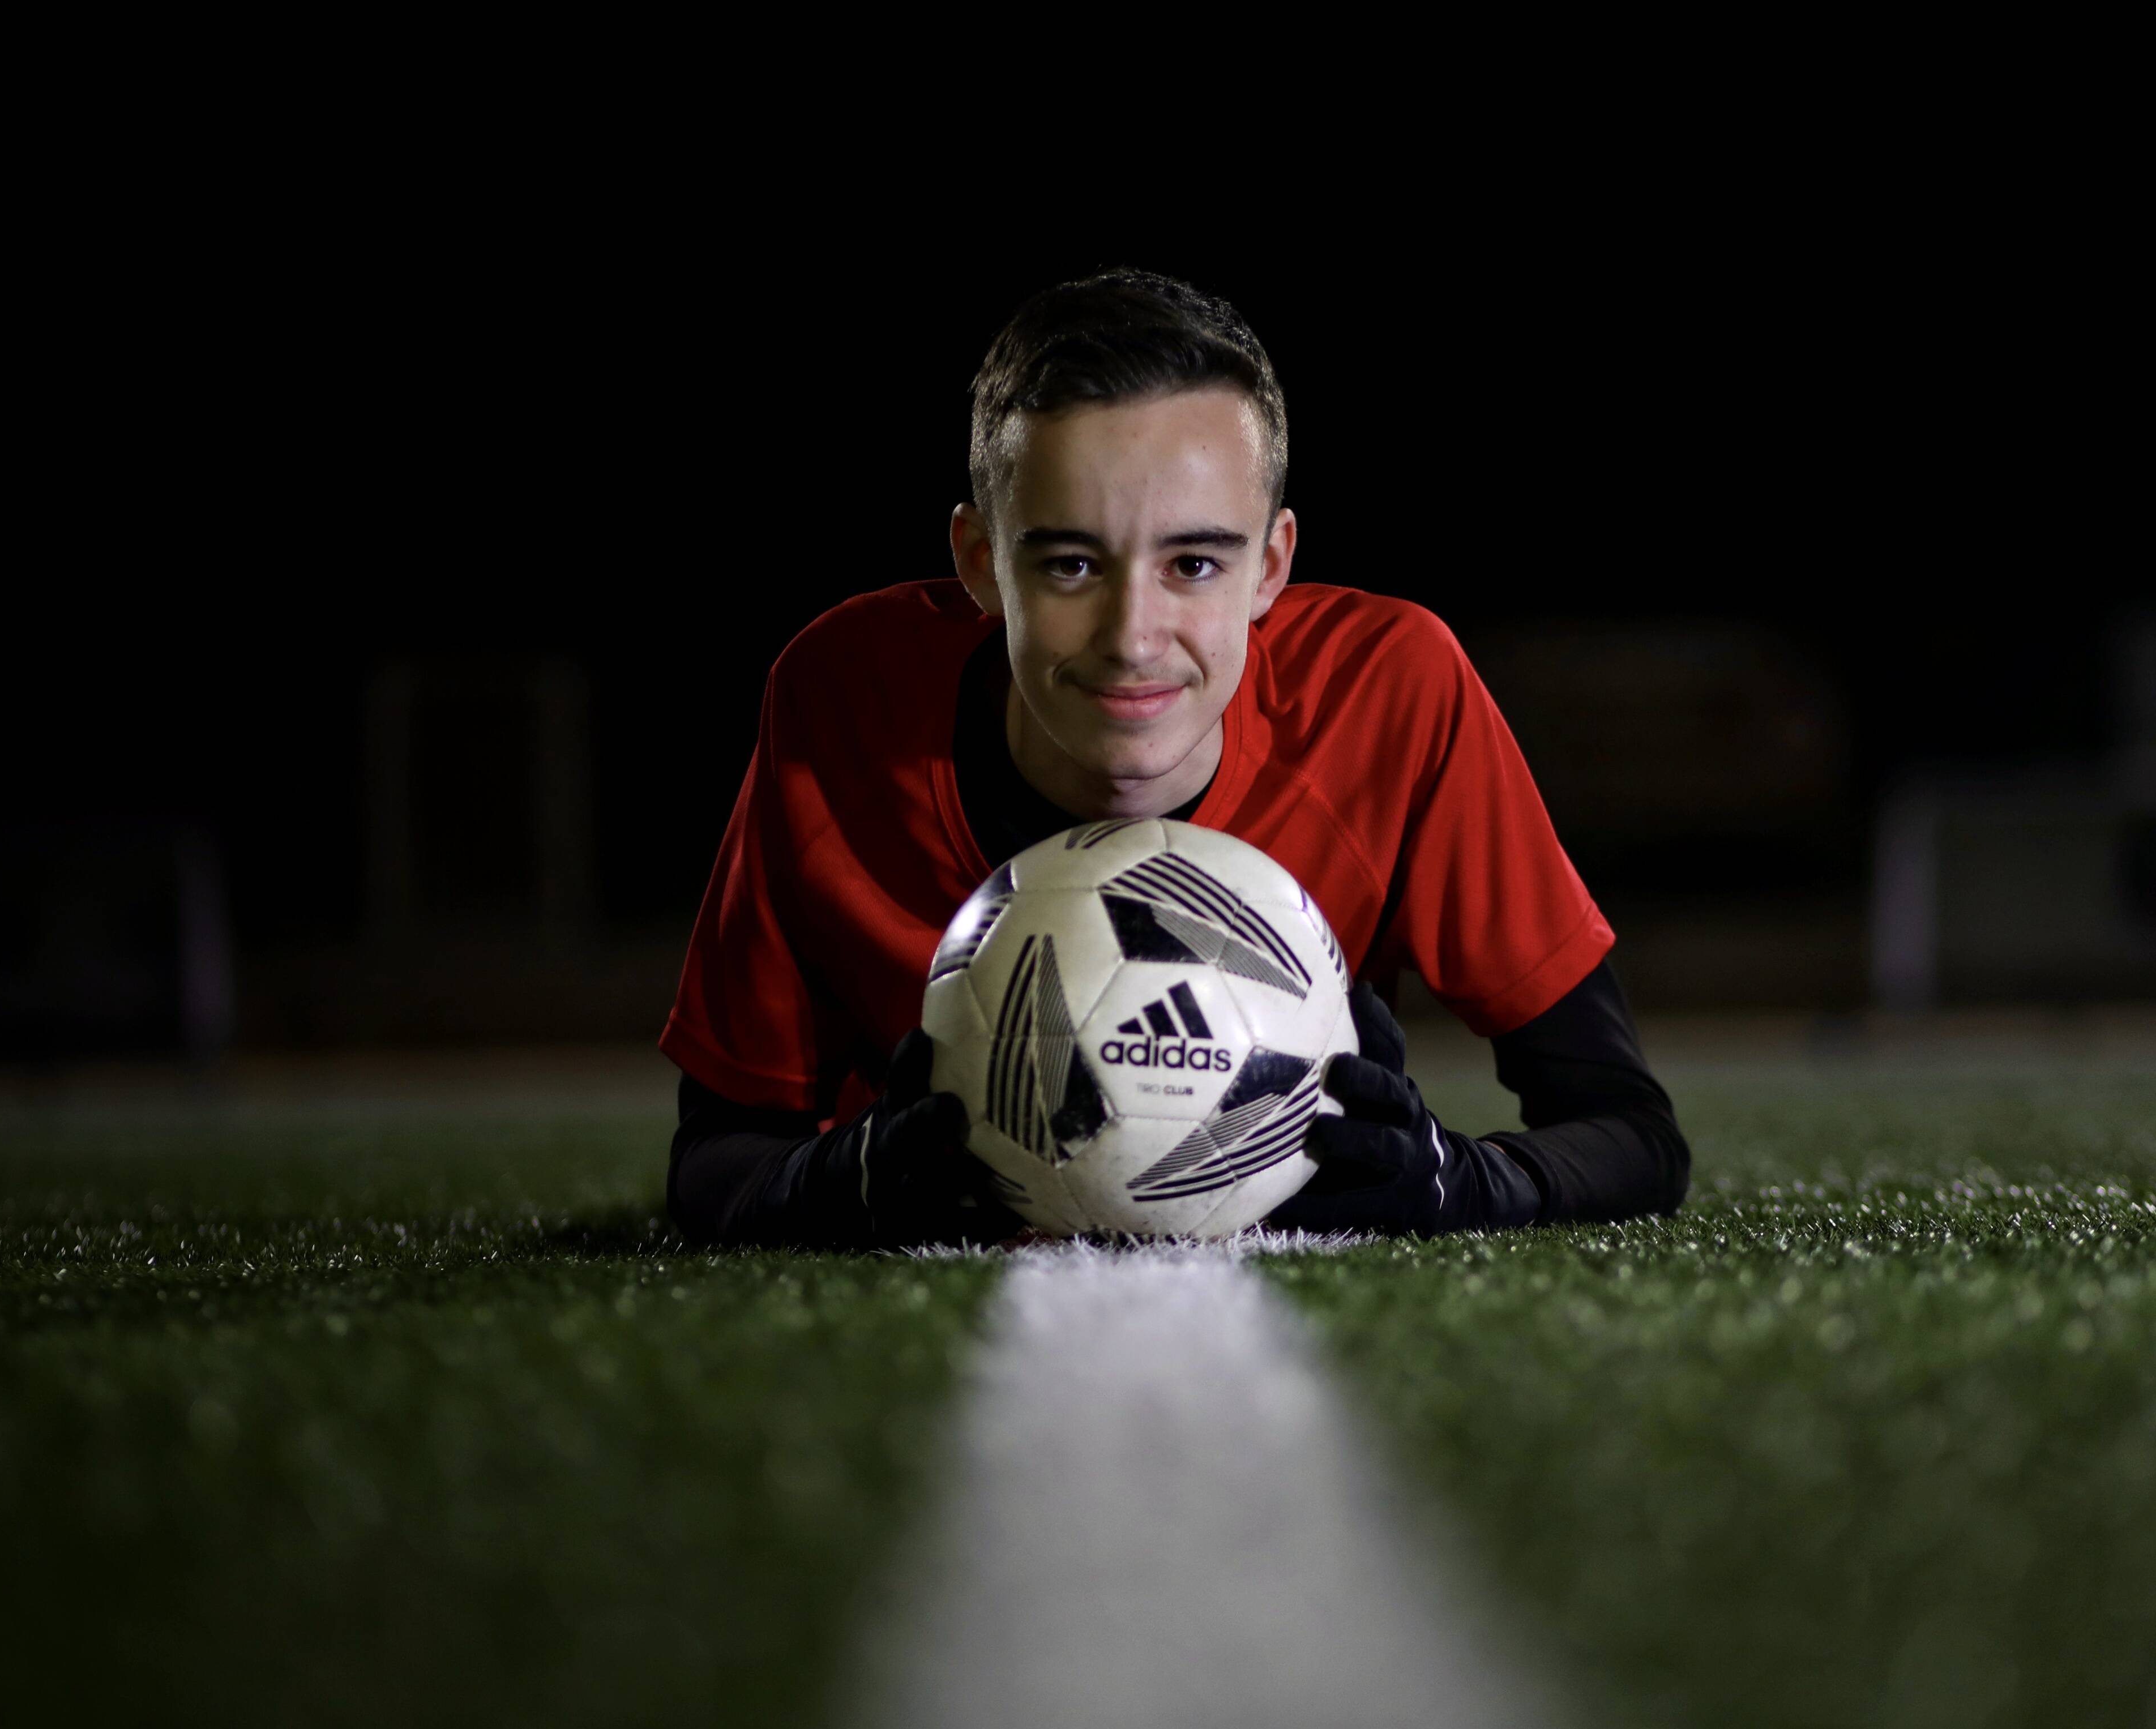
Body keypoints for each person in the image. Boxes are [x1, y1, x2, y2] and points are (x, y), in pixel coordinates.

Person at [663, 269, 1687, 1247]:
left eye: (1194, 563)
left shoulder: (1391, 692)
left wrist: (1458, 1179)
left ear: (1272, 566)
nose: (1134, 635)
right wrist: (851, 1181)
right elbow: (715, 1156)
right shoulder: (843, 699)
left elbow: (1632, 1135)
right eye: (1071, 563)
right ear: (979, 562)